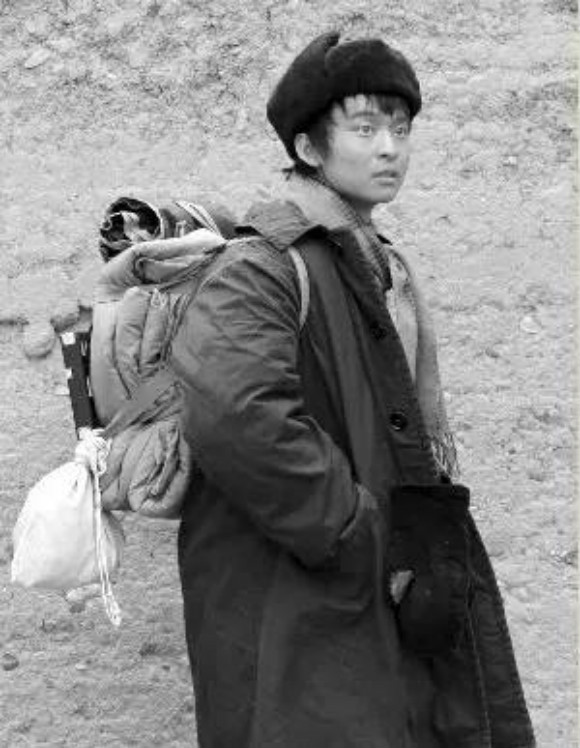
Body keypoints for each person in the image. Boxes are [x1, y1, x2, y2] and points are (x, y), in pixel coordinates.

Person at [171, 31, 536, 748]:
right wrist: (354, 530)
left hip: (359, 597)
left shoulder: (369, 260)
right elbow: (234, 416)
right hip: (294, 599)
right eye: (365, 129)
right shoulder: (261, 266)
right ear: (309, 148)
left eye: (401, 129)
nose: (390, 149)